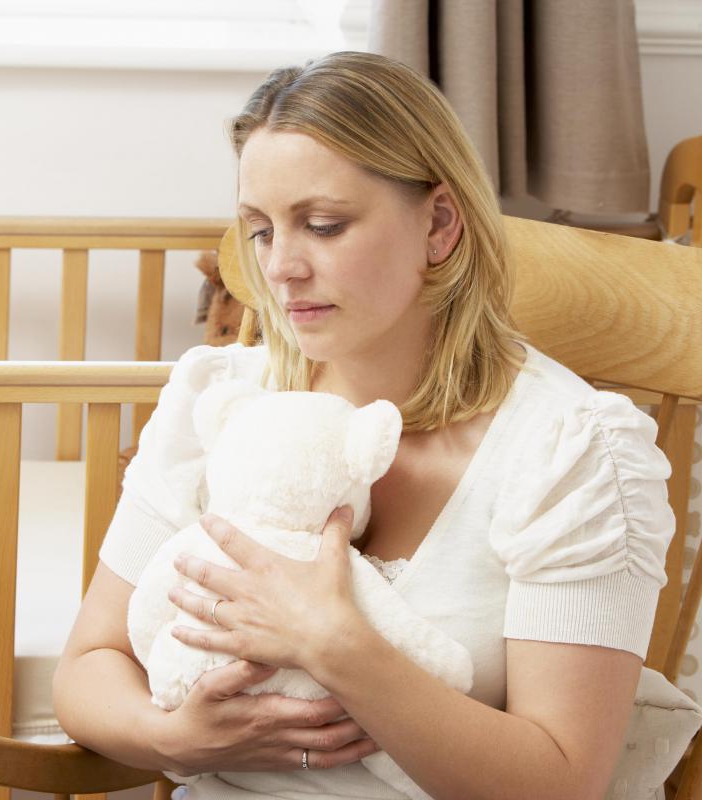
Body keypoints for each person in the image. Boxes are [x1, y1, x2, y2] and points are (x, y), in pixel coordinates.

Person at [52, 51, 675, 799]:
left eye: (322, 225)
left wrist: (333, 642)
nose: (281, 267)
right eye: (260, 230)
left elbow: (560, 782)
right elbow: (88, 665)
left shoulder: (571, 452)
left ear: (439, 223)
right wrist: (172, 737)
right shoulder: (221, 400)